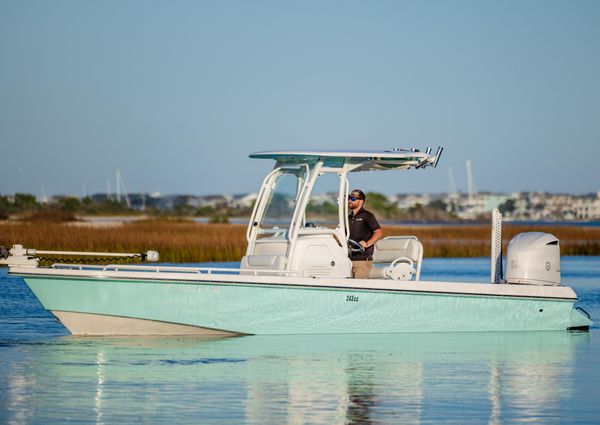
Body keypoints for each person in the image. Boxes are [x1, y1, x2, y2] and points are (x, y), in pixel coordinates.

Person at [347, 189, 382, 279]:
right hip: (348, 260)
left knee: (357, 287)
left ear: (361, 201)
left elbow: (378, 233)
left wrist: (367, 244)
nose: (350, 200)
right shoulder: (348, 218)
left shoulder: (367, 215)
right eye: (349, 198)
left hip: (362, 261)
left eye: (353, 198)